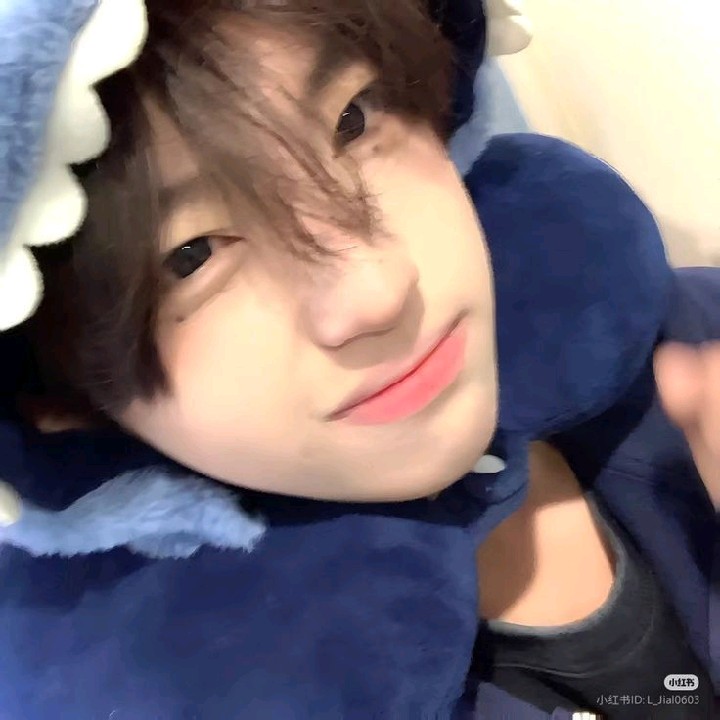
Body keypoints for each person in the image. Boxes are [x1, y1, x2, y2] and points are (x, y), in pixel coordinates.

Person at [0, 1, 717, 718]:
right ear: (54, 398)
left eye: (353, 120)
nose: (376, 292)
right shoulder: (176, 685)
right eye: (190, 256)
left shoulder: (686, 342)